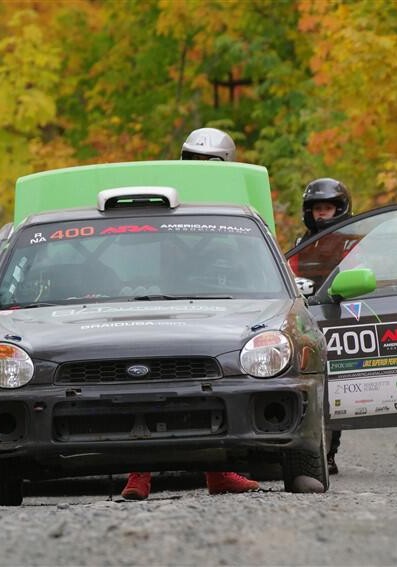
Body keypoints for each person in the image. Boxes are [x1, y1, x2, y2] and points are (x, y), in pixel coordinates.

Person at [121, 128, 258, 500]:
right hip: (163, 302)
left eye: (207, 163)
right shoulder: (168, 204)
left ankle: (219, 472)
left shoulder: (237, 211)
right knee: (148, 381)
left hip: (220, 305)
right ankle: (139, 475)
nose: (198, 170)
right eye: (192, 161)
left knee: (211, 382)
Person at [298, 177, 352, 475]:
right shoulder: (301, 243)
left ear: (339, 209)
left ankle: (330, 453)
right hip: (307, 316)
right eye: (317, 208)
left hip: (341, 315)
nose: (321, 214)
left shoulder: (351, 241)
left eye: (327, 208)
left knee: (337, 386)